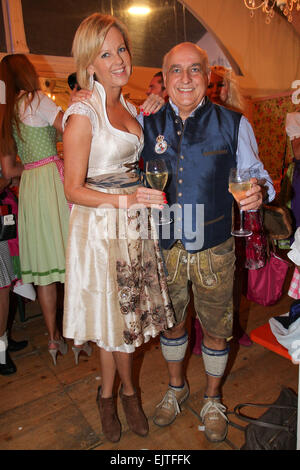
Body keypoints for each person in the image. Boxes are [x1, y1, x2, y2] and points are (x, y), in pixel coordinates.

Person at [141, 42, 275, 443]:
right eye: (175, 71)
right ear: (164, 80)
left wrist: (259, 192)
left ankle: (213, 397)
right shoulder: (144, 124)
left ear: (208, 77)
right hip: (165, 244)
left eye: (194, 69)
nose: (185, 78)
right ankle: (176, 388)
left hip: (215, 246)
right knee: (173, 325)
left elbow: (259, 176)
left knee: (217, 329)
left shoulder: (234, 124)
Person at [62, 13, 175, 443]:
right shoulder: (81, 113)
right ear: (89, 62)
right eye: (105, 53)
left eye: (121, 49)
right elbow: (73, 189)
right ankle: (117, 395)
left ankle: (117, 393)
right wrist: (124, 200)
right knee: (115, 320)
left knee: (124, 321)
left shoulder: (128, 106)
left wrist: (159, 109)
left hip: (133, 225)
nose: (118, 59)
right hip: (99, 227)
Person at [0, 54, 70, 366]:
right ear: (28, 73)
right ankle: (78, 334)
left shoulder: (8, 112)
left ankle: (53, 337)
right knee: (71, 257)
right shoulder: (36, 99)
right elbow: (71, 128)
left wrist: (32, 165)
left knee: (45, 269)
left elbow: (8, 167)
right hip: (53, 180)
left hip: (29, 185)